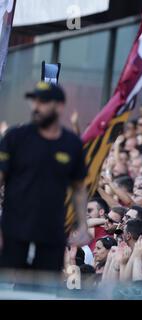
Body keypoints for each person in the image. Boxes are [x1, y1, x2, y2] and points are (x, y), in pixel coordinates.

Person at [0, 82, 90, 273]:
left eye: (43, 102)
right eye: (34, 101)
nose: (36, 107)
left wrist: (83, 225)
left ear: (59, 106)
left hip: (52, 231)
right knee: (7, 286)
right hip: (13, 229)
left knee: (44, 288)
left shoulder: (71, 144)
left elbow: (79, 188)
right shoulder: (15, 137)